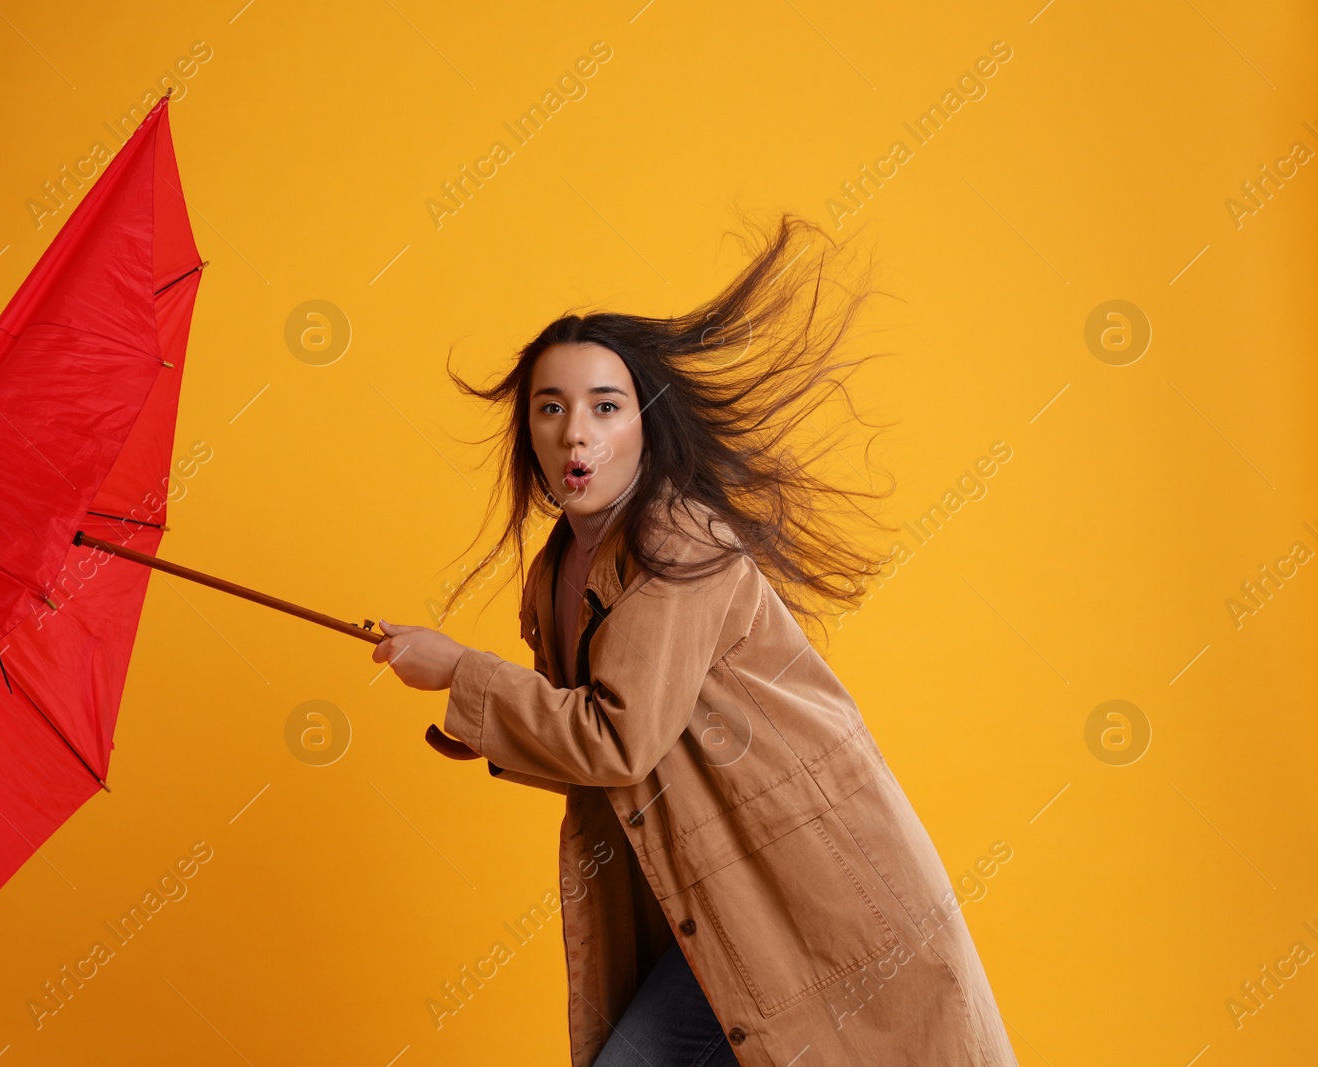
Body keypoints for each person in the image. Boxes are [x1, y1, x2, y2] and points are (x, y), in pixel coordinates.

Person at [371, 213, 1018, 1067]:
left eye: (606, 408)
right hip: (713, 902)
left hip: (812, 898)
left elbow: (616, 736)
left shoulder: (677, 537)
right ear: (527, 433)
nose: (576, 433)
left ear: (644, 425)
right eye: (551, 408)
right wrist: (469, 711)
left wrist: (462, 672)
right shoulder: (557, 570)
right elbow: (600, 747)